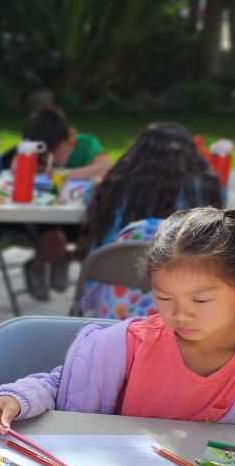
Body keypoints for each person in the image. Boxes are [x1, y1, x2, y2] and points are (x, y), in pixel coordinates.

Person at [0, 208, 235, 434]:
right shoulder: (127, 344)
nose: (181, 314)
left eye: (201, 300)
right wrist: (15, 399)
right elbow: (63, 385)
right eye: (164, 298)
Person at [78, 123, 223, 319]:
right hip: (180, 302)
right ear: (191, 155)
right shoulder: (206, 189)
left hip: (112, 298)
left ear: (136, 152)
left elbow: (88, 194)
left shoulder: (110, 185)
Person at [10, 106, 112, 300]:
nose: (54, 159)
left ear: (70, 136)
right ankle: (38, 265)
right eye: (46, 154)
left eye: (56, 151)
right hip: (44, 216)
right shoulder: (36, 155)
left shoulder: (86, 143)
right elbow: (15, 168)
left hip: (81, 215)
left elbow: (106, 166)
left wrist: (68, 173)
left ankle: (64, 259)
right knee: (54, 242)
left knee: (92, 240)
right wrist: (32, 161)